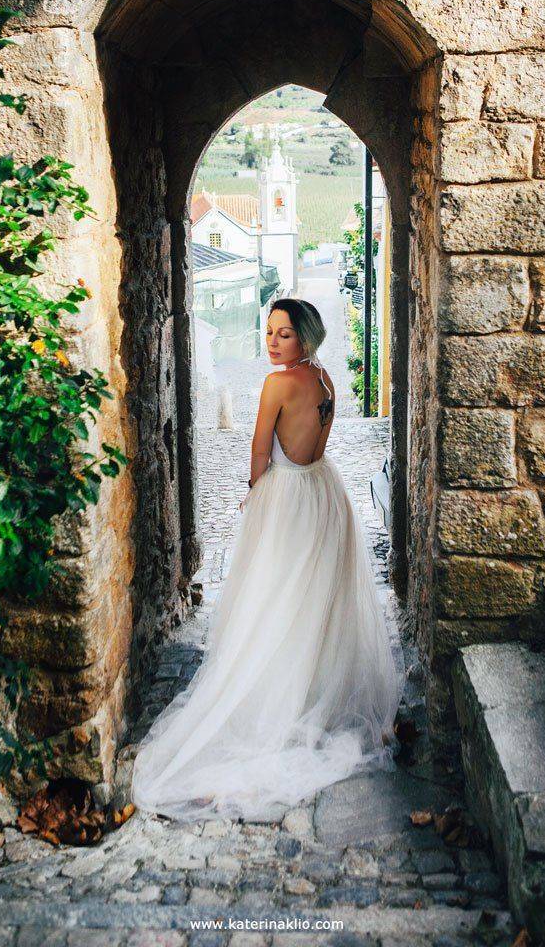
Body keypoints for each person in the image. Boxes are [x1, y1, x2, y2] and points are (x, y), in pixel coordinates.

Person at [130, 296, 403, 823]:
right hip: (324, 489)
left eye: (284, 334)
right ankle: (312, 688)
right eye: (269, 332)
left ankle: (277, 695)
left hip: (289, 496)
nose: (272, 342)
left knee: (274, 594)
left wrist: (255, 495)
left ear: (306, 337)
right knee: (313, 594)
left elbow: (260, 449)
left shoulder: (278, 384)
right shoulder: (323, 379)